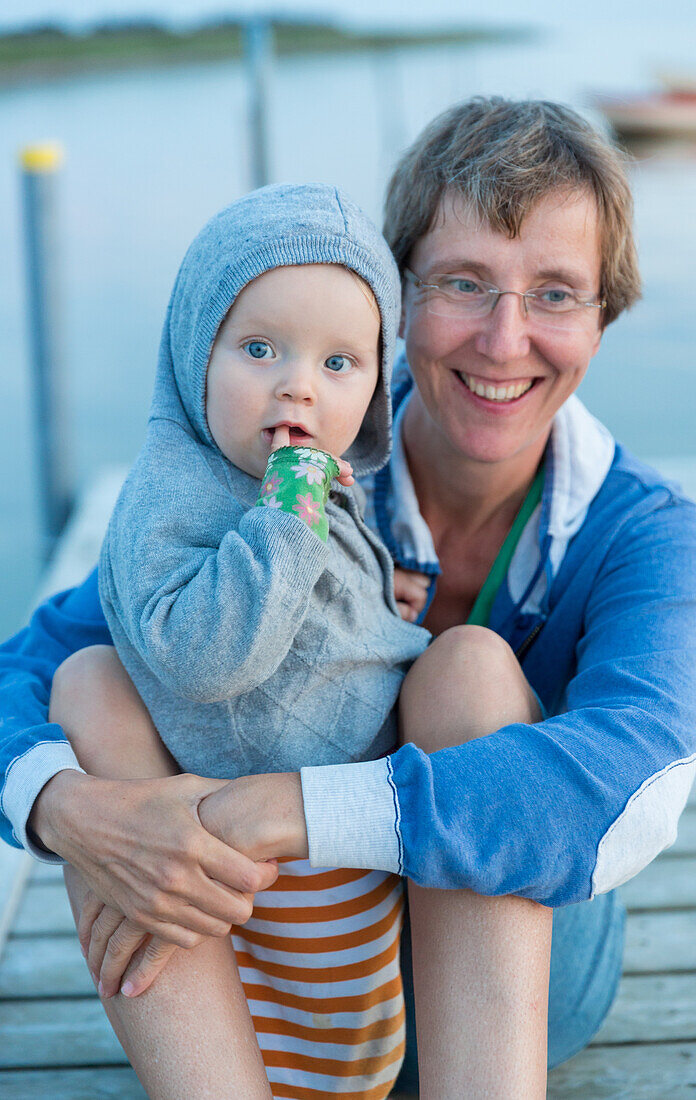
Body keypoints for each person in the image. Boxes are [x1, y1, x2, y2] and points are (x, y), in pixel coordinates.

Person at [0, 96, 696, 1099]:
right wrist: (74, 811)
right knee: (92, 680)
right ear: (393, 300)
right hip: (278, 974)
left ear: (604, 315)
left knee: (468, 668)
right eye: (463, 283)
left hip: (514, 987)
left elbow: (636, 784)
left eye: (556, 293)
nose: (505, 340)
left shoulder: (642, 528)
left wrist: (283, 809)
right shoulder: (292, 463)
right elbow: (26, 666)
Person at [45, 182, 438, 1099]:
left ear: (378, 383)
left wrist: (374, 596)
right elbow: (212, 653)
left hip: (350, 875)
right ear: (195, 351)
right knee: (85, 675)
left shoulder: (297, 485)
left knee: (353, 1064)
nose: (298, 383)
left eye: (341, 362)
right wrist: (297, 510)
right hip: (233, 897)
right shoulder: (176, 500)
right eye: (258, 348)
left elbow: (310, 600)